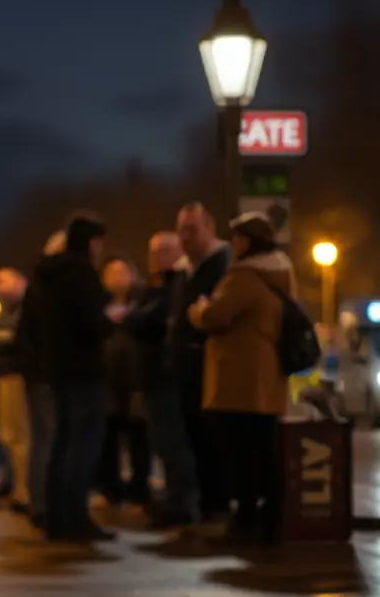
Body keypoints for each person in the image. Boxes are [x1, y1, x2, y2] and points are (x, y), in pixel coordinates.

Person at [189, 212, 294, 543]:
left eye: (235, 238)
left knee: (240, 451)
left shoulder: (244, 275)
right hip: (267, 375)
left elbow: (216, 315)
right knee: (264, 448)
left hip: (238, 374)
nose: (232, 244)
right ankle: (271, 516)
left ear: (246, 241)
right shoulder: (281, 272)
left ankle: (246, 518)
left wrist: (198, 308)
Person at [38, 214, 114, 542]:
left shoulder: (49, 277)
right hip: (84, 371)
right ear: (92, 243)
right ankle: (75, 516)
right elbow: (93, 325)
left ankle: (56, 515)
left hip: (58, 370)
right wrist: (110, 319)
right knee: (82, 444)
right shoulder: (81, 276)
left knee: (61, 442)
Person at [129, 232, 198, 527]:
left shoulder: (176, 284)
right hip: (152, 376)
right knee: (162, 441)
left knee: (172, 441)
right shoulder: (155, 286)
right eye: (153, 251)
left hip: (165, 376)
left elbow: (151, 319)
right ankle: (173, 496)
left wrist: (136, 319)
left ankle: (180, 501)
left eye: (164, 250)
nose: (156, 257)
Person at [168, 202, 231, 521]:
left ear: (210, 228)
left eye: (192, 229)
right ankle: (207, 503)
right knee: (194, 439)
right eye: (182, 230)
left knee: (212, 442)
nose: (185, 237)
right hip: (187, 372)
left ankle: (217, 504)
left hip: (209, 370)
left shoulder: (222, 265)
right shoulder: (185, 271)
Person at [14, 230, 64, 530]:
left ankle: (40, 500)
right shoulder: (51, 286)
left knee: (40, 437)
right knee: (47, 435)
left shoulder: (36, 285)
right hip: (48, 371)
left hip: (38, 370)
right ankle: (45, 502)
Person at [97, 256, 150, 507]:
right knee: (109, 436)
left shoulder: (142, 304)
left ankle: (140, 486)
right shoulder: (98, 305)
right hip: (107, 380)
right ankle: (111, 487)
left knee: (138, 435)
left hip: (135, 378)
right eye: (112, 272)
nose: (117, 278)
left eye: (122, 272)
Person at [0, 267, 30, 514]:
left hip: (15, 375)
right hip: (6, 375)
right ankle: (16, 486)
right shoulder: (9, 311)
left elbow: (20, 340)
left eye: (3, 282)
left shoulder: (24, 309)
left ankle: (24, 490)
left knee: (18, 434)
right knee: (9, 434)